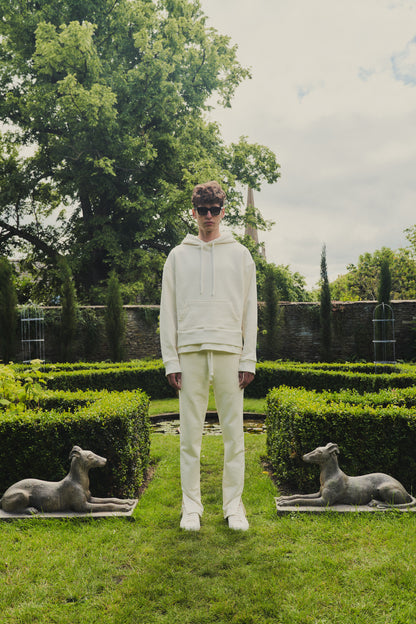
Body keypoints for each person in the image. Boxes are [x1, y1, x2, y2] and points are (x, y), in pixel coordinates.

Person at [160, 181, 257, 531]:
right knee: (190, 437)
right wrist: (171, 360)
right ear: (193, 212)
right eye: (202, 210)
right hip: (190, 353)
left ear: (223, 211)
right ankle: (191, 508)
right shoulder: (177, 256)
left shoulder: (241, 255)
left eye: (215, 209)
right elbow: (167, 311)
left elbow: (249, 310)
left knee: (234, 435)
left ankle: (234, 506)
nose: (209, 216)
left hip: (231, 351)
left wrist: (249, 358)